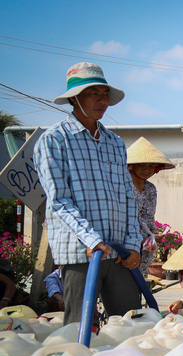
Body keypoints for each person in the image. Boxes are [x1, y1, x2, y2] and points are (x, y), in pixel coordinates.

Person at [34, 62, 144, 325]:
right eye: (94, 93)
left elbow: (128, 198)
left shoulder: (115, 143)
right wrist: (92, 240)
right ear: (74, 98)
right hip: (79, 251)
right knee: (80, 326)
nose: (103, 100)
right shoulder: (54, 140)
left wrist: (133, 242)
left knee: (131, 323)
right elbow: (59, 200)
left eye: (104, 94)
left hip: (118, 252)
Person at [126, 137, 175, 277]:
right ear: (131, 166)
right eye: (142, 165)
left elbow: (149, 217)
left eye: (151, 166)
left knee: (140, 280)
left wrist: (155, 232)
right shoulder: (122, 186)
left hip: (145, 245)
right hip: (126, 243)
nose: (147, 170)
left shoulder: (150, 189)